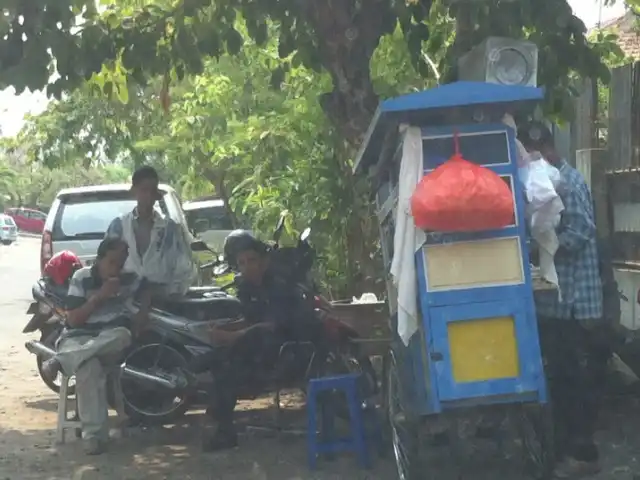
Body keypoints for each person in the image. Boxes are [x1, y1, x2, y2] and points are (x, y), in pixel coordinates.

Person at [519, 122, 605, 478]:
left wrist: (545, 250)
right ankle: (567, 451)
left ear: (547, 150)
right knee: (561, 378)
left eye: (537, 153)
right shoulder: (548, 182)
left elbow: (583, 229)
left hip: (574, 301)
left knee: (574, 379)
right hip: (558, 302)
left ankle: (583, 455)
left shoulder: (568, 181)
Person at [201, 230, 322, 452]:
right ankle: (222, 422)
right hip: (262, 351)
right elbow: (249, 320)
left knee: (230, 360)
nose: (248, 267)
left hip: (287, 352)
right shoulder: (247, 288)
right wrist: (225, 330)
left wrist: (233, 336)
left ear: (264, 261)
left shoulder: (278, 286)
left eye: (252, 260)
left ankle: (223, 424)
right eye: (242, 263)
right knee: (215, 359)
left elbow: (272, 325)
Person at [40, 237, 152, 455]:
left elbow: (147, 287)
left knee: (121, 335)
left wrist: (143, 312)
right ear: (99, 260)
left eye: (120, 263)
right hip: (78, 337)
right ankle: (93, 437)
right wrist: (99, 297)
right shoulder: (82, 277)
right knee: (88, 366)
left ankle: (60, 361)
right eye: (112, 262)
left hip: (111, 338)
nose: (116, 269)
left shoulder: (128, 278)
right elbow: (72, 321)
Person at [105, 165, 195, 297]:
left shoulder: (171, 228)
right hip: (126, 300)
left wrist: (173, 292)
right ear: (134, 191)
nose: (148, 196)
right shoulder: (118, 226)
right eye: (144, 190)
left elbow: (185, 268)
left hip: (164, 301)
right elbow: (105, 264)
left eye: (152, 191)